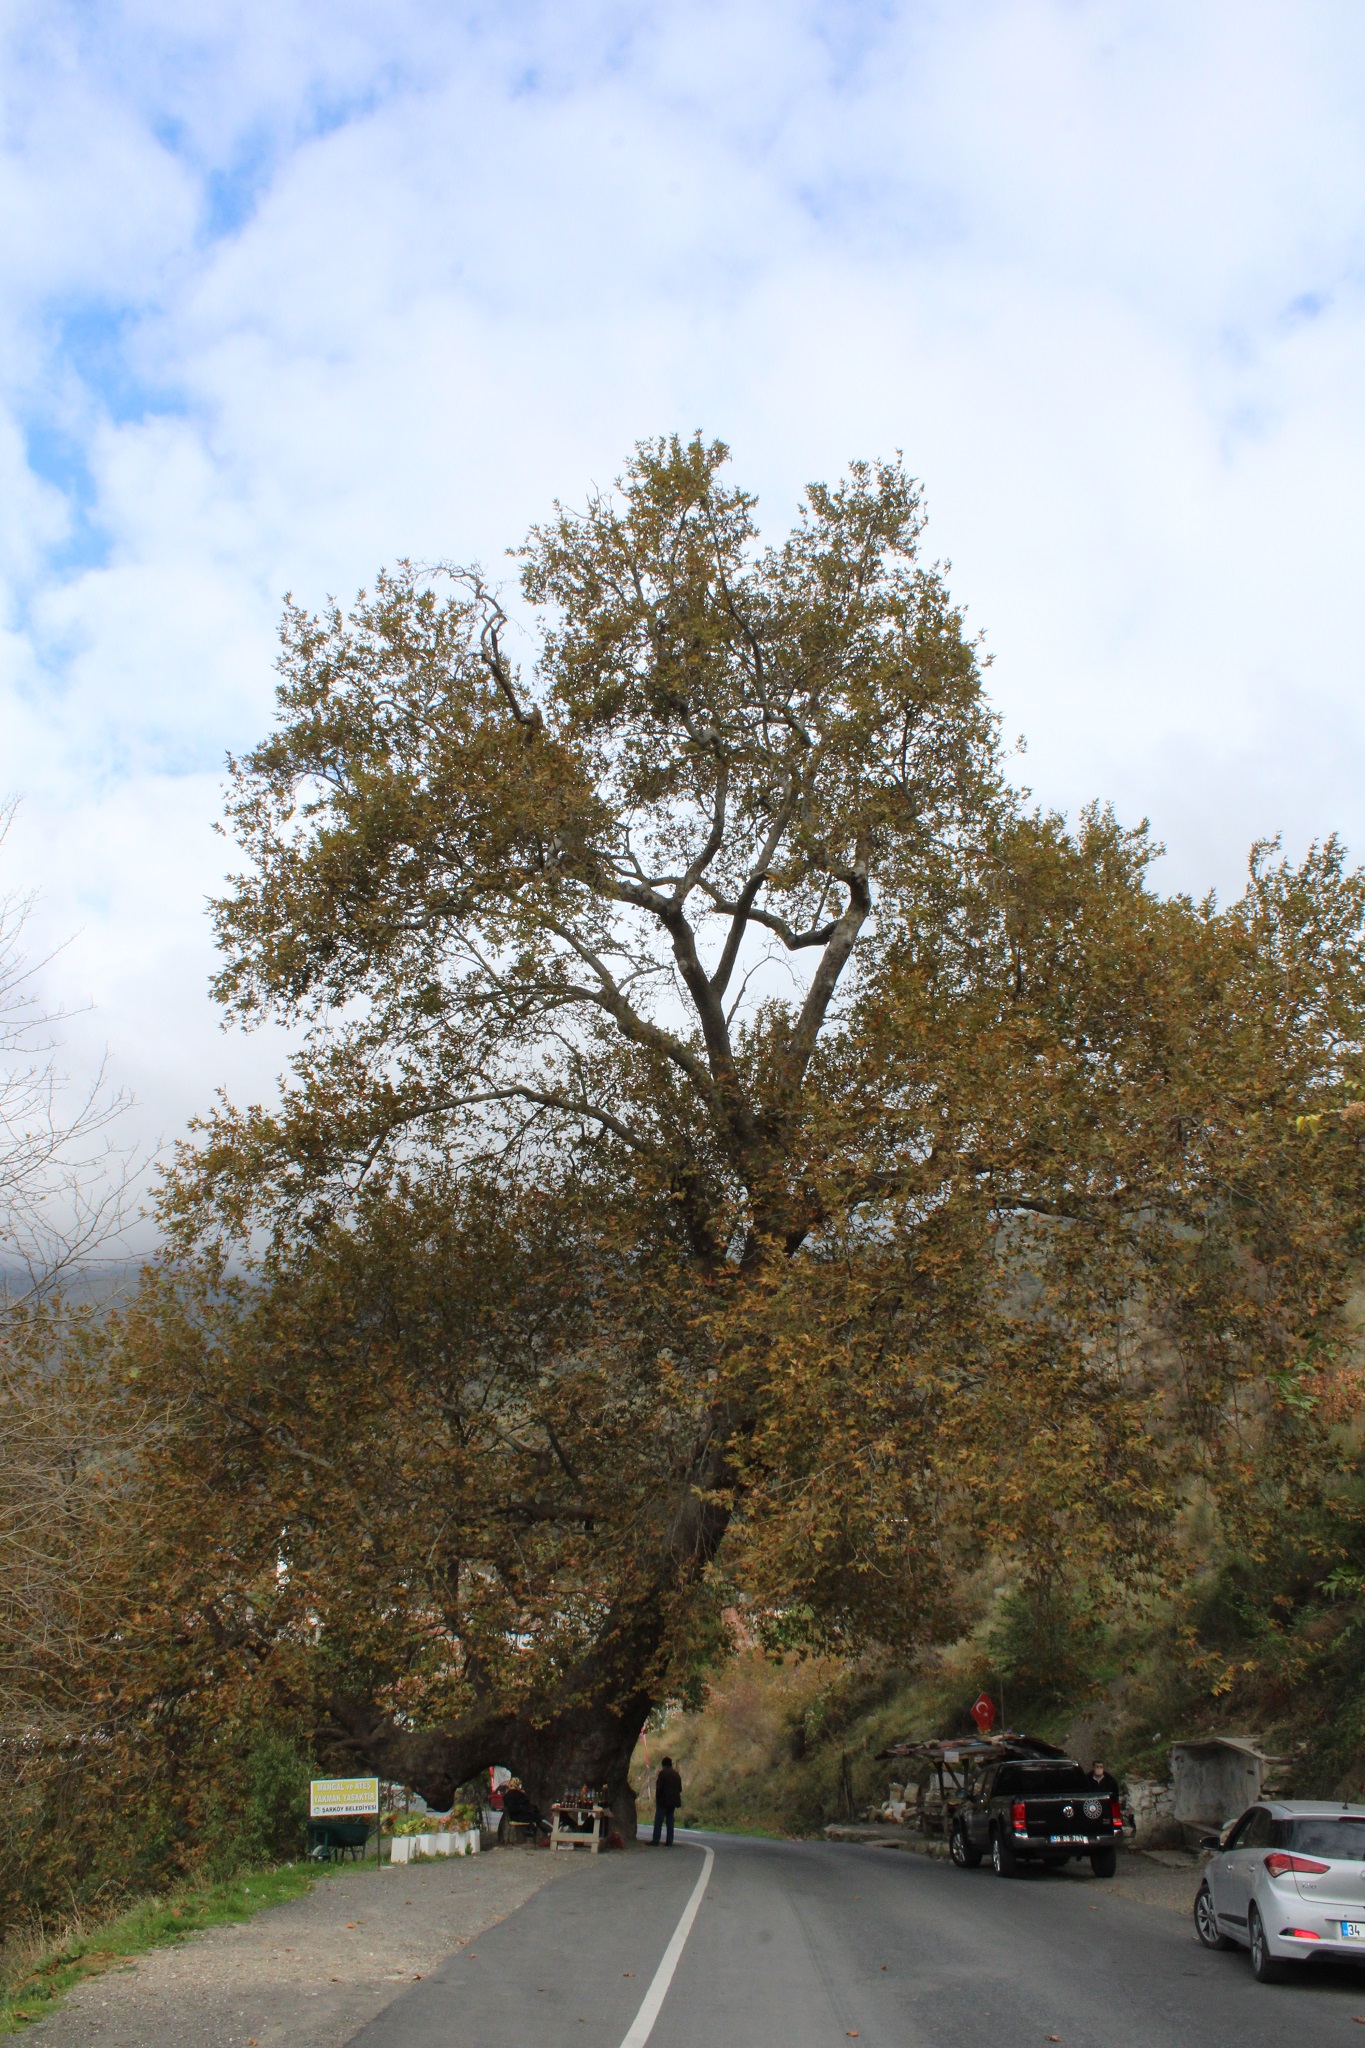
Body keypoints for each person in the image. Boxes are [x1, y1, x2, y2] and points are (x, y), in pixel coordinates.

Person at [652, 1757, 682, 1845]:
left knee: (658, 1821)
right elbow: (680, 1789)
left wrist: (657, 1798)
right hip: (673, 1801)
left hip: (663, 1801)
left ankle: (656, 1840)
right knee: (670, 1821)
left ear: (663, 1765)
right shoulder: (676, 1774)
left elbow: (659, 1787)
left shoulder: (663, 1773)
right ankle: (669, 1841)